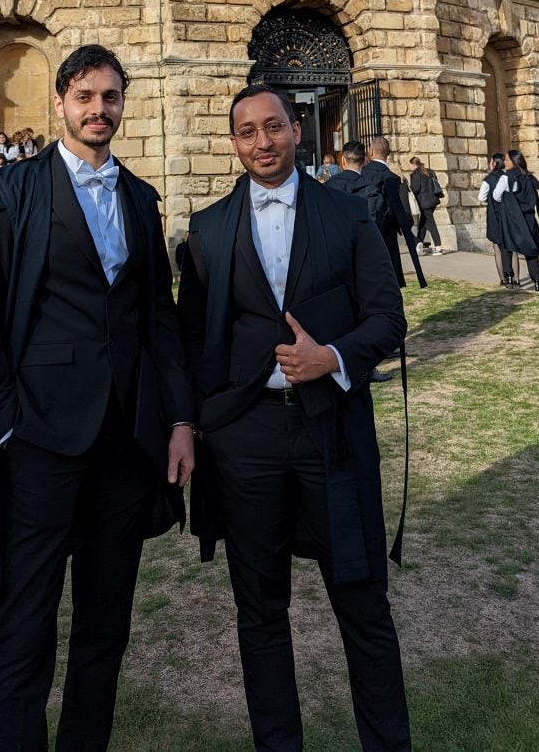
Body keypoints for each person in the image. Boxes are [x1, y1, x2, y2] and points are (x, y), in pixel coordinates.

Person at [0, 44, 196, 751]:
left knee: (105, 626)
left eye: (110, 97)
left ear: (123, 104)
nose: (99, 110)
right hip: (36, 445)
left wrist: (179, 418)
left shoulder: (142, 199)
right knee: (23, 626)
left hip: (124, 443)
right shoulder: (10, 192)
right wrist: (4, 427)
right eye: (85, 97)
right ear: (59, 102)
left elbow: (159, 320)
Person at [178, 84, 411, 752]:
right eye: (246, 132)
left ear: (296, 130)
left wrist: (332, 356)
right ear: (234, 142)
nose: (262, 143)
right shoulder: (210, 227)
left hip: (330, 430)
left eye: (273, 127)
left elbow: (387, 317)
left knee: (362, 602)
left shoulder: (347, 215)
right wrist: (194, 423)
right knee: (260, 611)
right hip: (245, 436)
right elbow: (192, 334)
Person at [325, 140, 395, 383]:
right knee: (365, 314)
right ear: (364, 160)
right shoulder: (370, 188)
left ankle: (336, 362)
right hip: (361, 263)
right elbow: (374, 229)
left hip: (331, 261)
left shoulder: (326, 188)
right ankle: (365, 366)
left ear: (343, 160)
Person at [360, 136, 425, 290]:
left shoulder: (361, 174)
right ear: (388, 153)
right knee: (388, 280)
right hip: (386, 233)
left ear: (371, 151)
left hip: (363, 232)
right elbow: (399, 211)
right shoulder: (393, 177)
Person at [492, 150, 539, 291]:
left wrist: (508, 200)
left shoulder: (506, 178)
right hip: (528, 217)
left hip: (512, 217)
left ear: (515, 162)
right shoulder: (530, 178)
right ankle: (537, 281)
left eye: (507, 160)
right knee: (530, 249)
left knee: (506, 246)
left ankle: (509, 276)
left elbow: (496, 196)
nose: (505, 162)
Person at [478, 153, 518, 286]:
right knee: (512, 248)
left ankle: (503, 278)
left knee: (497, 248)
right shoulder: (509, 177)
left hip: (494, 215)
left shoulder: (488, 179)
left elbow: (481, 197)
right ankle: (516, 278)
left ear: (494, 164)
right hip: (509, 214)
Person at [408, 156, 442, 255]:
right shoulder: (429, 171)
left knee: (431, 224)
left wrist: (408, 188)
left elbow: (415, 189)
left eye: (410, 165)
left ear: (413, 165)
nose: (409, 167)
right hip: (433, 201)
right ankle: (418, 243)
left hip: (424, 203)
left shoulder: (416, 174)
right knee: (423, 223)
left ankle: (438, 246)